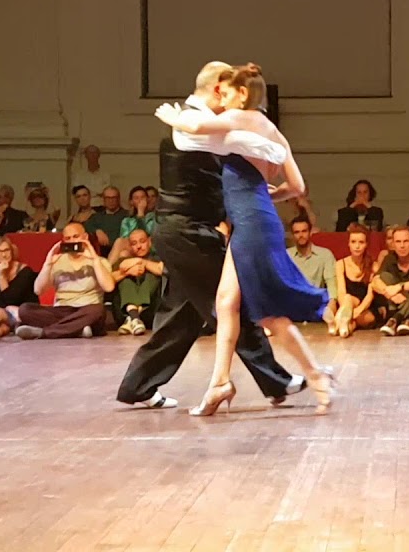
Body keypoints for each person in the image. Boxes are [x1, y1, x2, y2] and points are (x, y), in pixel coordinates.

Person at [118, 63, 304, 411]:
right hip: (189, 232)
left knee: (182, 316)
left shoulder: (198, 123)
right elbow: (243, 144)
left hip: (183, 231)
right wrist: (273, 147)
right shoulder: (193, 125)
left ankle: (137, 386)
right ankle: (275, 380)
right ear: (220, 90)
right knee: (234, 303)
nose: (234, 105)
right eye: (231, 93)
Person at [162, 62, 334, 415]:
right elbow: (297, 187)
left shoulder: (245, 118)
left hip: (252, 224)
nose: (221, 98)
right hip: (255, 219)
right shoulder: (271, 129)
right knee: (226, 302)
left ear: (243, 94)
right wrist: (263, 196)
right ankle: (220, 383)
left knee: (268, 314)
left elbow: (193, 126)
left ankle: (316, 374)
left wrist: (168, 115)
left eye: (227, 92)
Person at [11, 223, 113, 340]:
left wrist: (94, 259)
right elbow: (38, 290)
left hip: (87, 310)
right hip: (63, 310)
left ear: (85, 237)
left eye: (76, 236)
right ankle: (77, 329)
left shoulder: (99, 261)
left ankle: (45, 332)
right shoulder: (58, 261)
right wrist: (48, 264)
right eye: (68, 238)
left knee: (98, 310)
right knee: (25, 310)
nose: (72, 241)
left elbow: (109, 287)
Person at [285, 216, 339, 333]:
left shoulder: (325, 254)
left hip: (316, 303)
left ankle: (330, 319)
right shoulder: (286, 255)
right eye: (297, 232)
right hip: (293, 304)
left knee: (325, 299)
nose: (301, 235)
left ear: (310, 233)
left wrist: (332, 305)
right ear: (292, 235)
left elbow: (332, 284)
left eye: (304, 231)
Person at [111, 229, 165, 335]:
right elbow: (108, 281)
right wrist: (126, 273)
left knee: (152, 275)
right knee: (126, 279)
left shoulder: (157, 258)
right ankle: (134, 316)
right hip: (123, 313)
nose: (139, 246)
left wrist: (143, 263)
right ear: (130, 247)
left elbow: (161, 269)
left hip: (151, 311)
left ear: (149, 241)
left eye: (142, 241)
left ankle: (133, 317)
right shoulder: (124, 260)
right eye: (134, 243)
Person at [333, 224, 378, 337]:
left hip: (366, 309)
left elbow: (370, 296)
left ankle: (341, 323)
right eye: (353, 242)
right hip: (347, 304)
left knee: (365, 318)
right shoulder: (340, 264)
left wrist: (355, 313)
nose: (357, 246)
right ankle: (346, 327)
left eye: (361, 242)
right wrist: (347, 307)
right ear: (348, 243)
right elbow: (341, 293)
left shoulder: (374, 266)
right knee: (348, 297)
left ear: (366, 244)